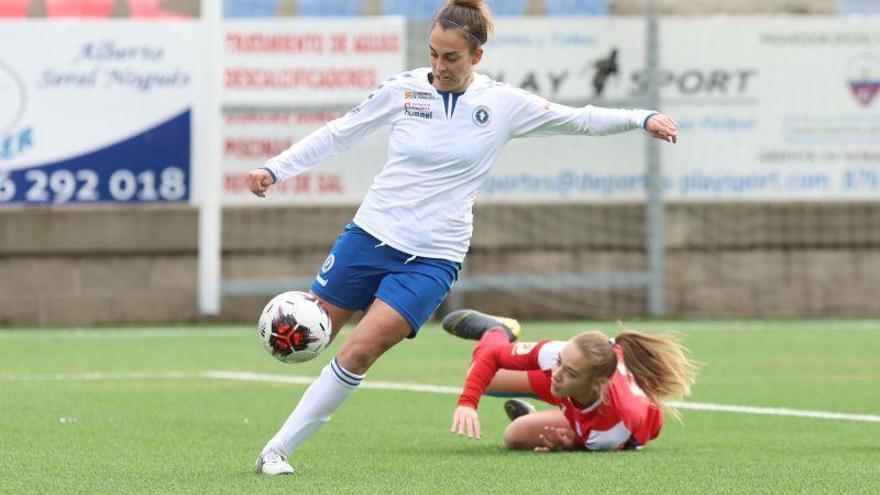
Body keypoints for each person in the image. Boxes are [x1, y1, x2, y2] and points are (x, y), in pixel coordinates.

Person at [248, 0, 680, 474]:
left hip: (434, 257)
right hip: (369, 235)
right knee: (307, 337)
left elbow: (576, 117)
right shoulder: (404, 91)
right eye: (433, 54)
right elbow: (338, 134)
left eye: (451, 57)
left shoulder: (502, 106)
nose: (439, 66)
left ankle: (276, 451)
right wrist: (276, 168)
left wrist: (641, 117)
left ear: (477, 56)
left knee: (359, 351)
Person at [443, 309, 698, 451]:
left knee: (515, 436)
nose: (556, 373)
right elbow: (491, 357)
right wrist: (467, 403)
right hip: (576, 395)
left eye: (570, 371)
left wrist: (568, 443)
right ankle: (498, 329)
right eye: (559, 362)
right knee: (478, 374)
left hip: (595, 416)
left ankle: (531, 415)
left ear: (597, 382)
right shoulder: (557, 358)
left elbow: (609, 444)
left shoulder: (607, 430)